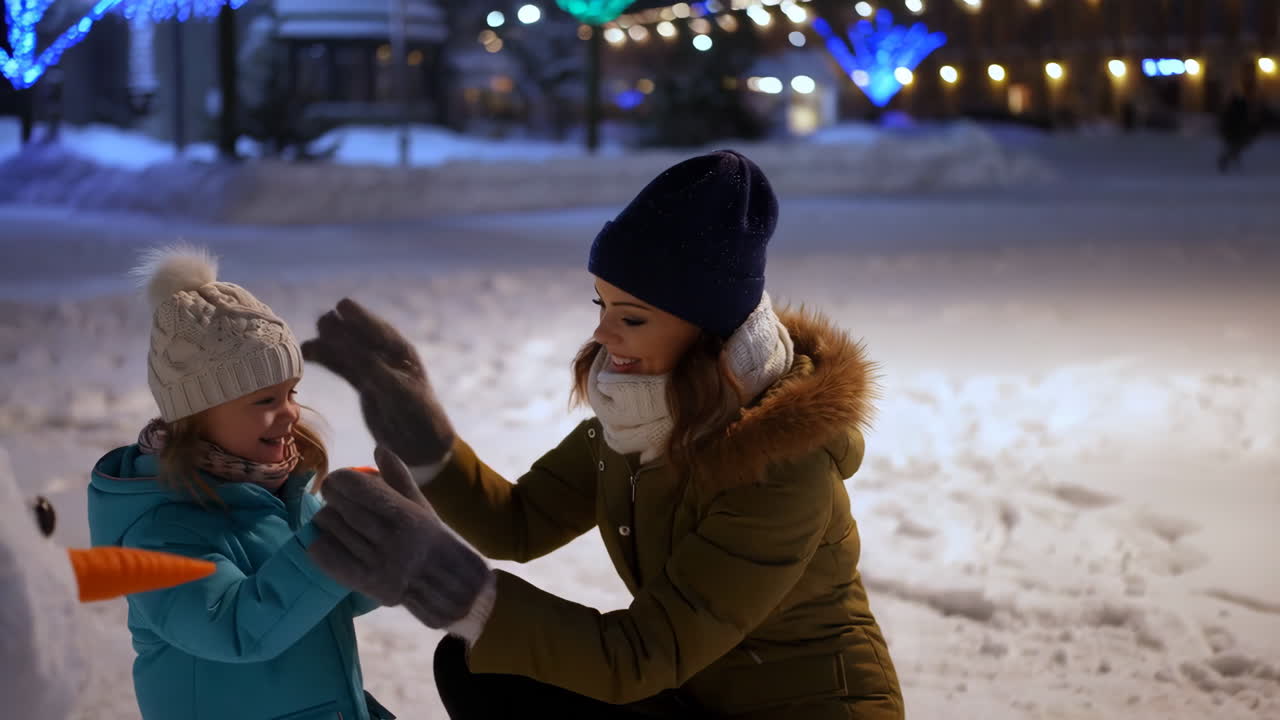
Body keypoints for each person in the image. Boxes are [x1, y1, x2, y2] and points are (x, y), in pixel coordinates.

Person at [303, 150, 904, 719]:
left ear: (709, 331)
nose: (604, 335)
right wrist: (427, 440)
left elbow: (643, 653)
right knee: (481, 666)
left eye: (632, 317)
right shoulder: (639, 422)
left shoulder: (780, 470)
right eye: (603, 305)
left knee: (499, 643)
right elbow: (517, 523)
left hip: (807, 710)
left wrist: (462, 591)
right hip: (698, 695)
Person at [86, 245, 394, 720]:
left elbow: (333, 599)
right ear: (197, 415)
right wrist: (334, 539)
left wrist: (384, 539)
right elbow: (236, 627)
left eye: (291, 392)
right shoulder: (156, 536)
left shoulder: (285, 493)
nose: (290, 411)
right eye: (264, 399)